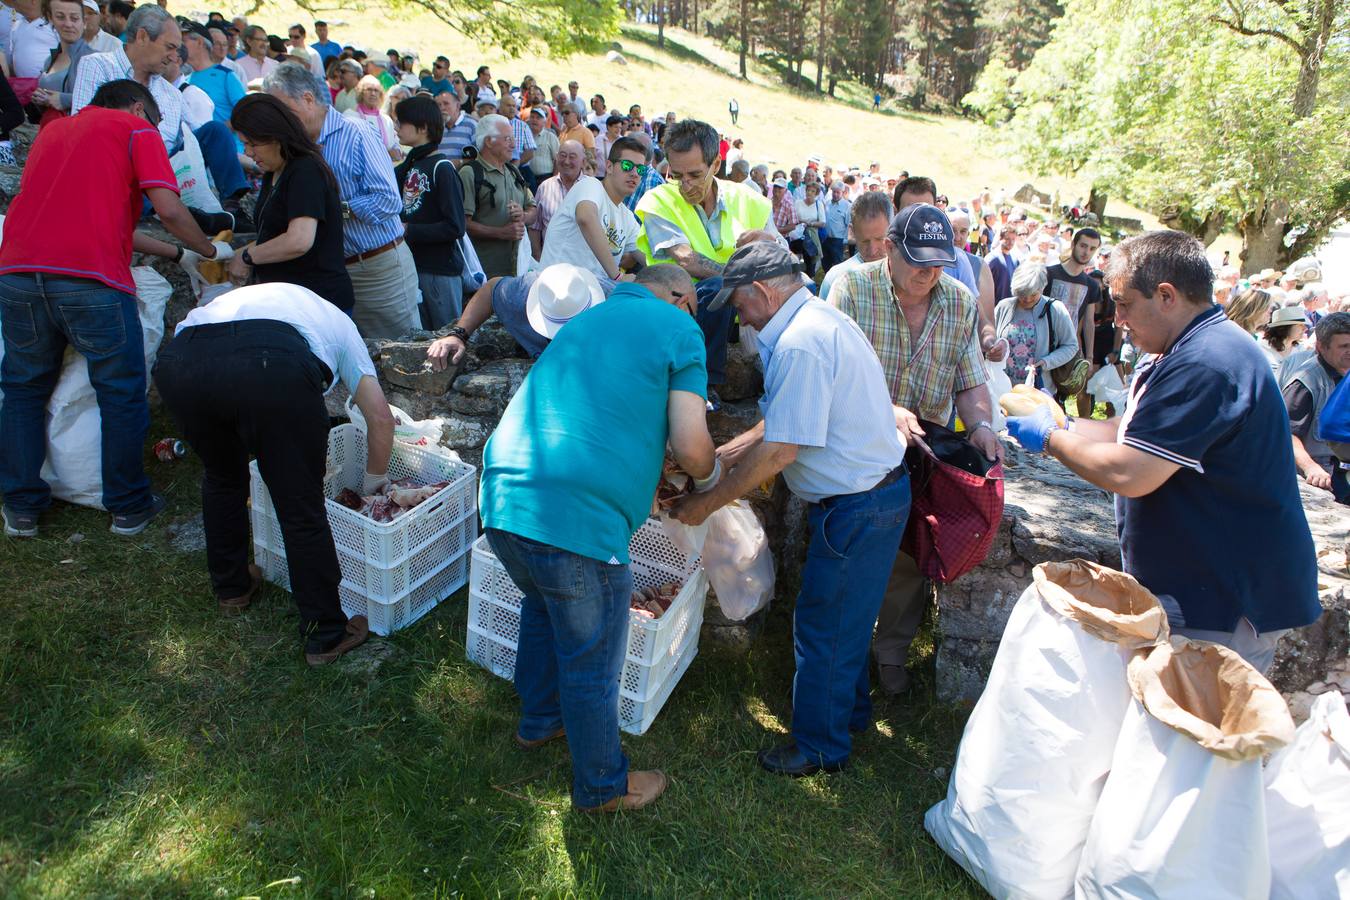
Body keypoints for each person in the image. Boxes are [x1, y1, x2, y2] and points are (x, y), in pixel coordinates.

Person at [1005, 231, 1322, 674]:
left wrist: (1050, 439)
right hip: (1203, 586)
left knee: (1196, 731)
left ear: (1167, 295)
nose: (1117, 319)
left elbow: (1131, 472)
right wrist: (1066, 422)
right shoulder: (1187, 348)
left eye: (1125, 303)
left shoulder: (1207, 362)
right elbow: (1130, 430)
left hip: (1226, 597)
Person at [478, 262, 715, 813]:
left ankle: (539, 720)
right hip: (578, 517)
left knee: (542, 605)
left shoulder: (585, 318)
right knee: (593, 660)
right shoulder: (679, 327)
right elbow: (690, 441)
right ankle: (603, 788)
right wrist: (710, 479)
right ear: (680, 297)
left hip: (504, 498)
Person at [670, 241, 909, 776]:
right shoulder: (813, 320)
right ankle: (848, 714)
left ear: (762, 291)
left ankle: (821, 746)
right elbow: (789, 416)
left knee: (824, 624)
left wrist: (707, 502)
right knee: (844, 619)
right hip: (870, 497)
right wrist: (730, 452)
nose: (736, 314)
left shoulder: (801, 342)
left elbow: (782, 450)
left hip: (858, 504)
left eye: (738, 303)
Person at [0, 79, 230, 539]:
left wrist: (174, 255)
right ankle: (128, 505)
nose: (157, 133)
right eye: (157, 122)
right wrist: (206, 249)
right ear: (137, 108)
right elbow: (168, 209)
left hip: (18, 272)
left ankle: (21, 507)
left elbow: (101, 225)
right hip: (91, 283)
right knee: (120, 392)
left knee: (23, 389)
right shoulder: (135, 130)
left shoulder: (52, 132)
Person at [153, 283, 393, 664]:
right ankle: (326, 633)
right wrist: (375, 484)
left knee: (222, 476)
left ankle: (232, 588)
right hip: (271, 366)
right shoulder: (342, 325)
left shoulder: (261, 300)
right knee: (299, 504)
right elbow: (380, 418)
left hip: (182, 363)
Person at [828, 204, 999, 695]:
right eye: (919, 260)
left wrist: (981, 424)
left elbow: (970, 379)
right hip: (857, 442)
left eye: (939, 262)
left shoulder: (960, 300)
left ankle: (892, 652)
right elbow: (835, 371)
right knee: (850, 549)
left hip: (924, 450)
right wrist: (887, 410)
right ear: (888, 248)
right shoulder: (854, 288)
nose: (929, 272)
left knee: (909, 554)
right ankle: (847, 654)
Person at [265, 62, 419, 340]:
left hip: (376, 268)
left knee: (398, 355)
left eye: (283, 111)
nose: (279, 121)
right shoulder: (295, 147)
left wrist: (335, 210)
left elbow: (388, 201)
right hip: (330, 273)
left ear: (308, 99)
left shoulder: (356, 133)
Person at [71, 5, 252, 231]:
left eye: (177, 49)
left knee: (215, 130)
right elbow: (81, 128)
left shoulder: (172, 93)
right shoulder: (98, 65)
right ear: (143, 36)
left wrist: (252, 160)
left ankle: (232, 206)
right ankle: (167, 214)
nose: (175, 57)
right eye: (169, 47)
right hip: (118, 166)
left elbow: (198, 138)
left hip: (167, 169)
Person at [634, 118, 772, 407]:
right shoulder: (658, 200)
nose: (685, 185)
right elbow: (686, 260)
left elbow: (775, 252)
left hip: (741, 309)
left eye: (695, 175)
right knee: (720, 287)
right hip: (683, 309)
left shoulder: (748, 199)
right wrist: (740, 280)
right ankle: (705, 383)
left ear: (716, 165)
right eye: (677, 175)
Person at [224, 93, 354, 312]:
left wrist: (247, 257)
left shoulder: (305, 170)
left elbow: (299, 240)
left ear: (275, 136)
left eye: (252, 144)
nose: (247, 152)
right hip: (289, 300)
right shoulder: (274, 172)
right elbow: (274, 235)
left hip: (317, 303)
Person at [393, 94, 466, 329]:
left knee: (446, 337)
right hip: (414, 266)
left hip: (439, 270)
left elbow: (455, 226)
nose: (396, 127)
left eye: (401, 122)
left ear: (422, 127)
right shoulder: (410, 165)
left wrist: (409, 230)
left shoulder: (441, 168)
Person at [538, 136, 646, 291]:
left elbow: (649, 258)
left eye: (641, 169)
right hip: (557, 291)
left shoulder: (627, 217)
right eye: (627, 165)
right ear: (609, 167)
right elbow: (586, 217)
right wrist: (618, 277)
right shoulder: (590, 185)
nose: (635, 173)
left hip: (590, 296)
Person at [1283, 312, 1350, 503]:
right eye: (1344, 346)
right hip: (1321, 476)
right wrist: (1310, 467)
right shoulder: (1306, 381)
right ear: (1321, 346)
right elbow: (1287, 432)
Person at [459, 113, 536, 279]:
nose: (514, 144)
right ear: (489, 141)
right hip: (485, 274)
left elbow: (533, 209)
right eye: (507, 139)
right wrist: (501, 232)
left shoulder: (514, 172)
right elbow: (463, 224)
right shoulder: (470, 173)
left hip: (517, 270)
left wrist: (523, 215)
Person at [994, 263, 1079, 387]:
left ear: (1042, 288)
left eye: (1033, 294)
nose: (1027, 299)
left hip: (1039, 389)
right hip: (1003, 388)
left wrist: (1046, 362)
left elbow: (1071, 346)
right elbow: (990, 339)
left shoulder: (1056, 309)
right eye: (1022, 294)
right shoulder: (1003, 307)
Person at [1045, 227, 1103, 409]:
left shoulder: (1092, 285)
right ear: (1073, 244)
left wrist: (1090, 357)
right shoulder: (1049, 273)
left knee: (1058, 401)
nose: (1086, 252)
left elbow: (1088, 323)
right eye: (1083, 246)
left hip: (1068, 349)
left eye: (1092, 248)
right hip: (1043, 343)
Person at [27, 0, 93, 126]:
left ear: (84, 22)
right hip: (50, 131)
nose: (68, 24)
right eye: (60, 17)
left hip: (77, 133)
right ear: (51, 19)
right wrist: (39, 99)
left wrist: (63, 99)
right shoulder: (49, 60)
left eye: (74, 18)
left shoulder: (93, 58)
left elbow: (103, 101)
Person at [819, 191, 891, 301]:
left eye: (880, 239)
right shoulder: (835, 277)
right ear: (852, 231)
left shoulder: (906, 274)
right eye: (865, 241)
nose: (872, 251)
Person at [528, 138, 583, 257]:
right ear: (556, 157)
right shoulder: (545, 187)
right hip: (550, 259)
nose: (567, 161)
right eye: (563, 155)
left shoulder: (592, 187)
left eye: (572, 157)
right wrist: (537, 256)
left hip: (583, 260)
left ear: (583, 161)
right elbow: (535, 227)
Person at [344, 74, 400, 162]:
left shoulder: (386, 120)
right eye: (369, 89)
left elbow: (394, 144)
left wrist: (395, 151)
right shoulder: (350, 116)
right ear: (361, 93)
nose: (373, 93)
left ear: (380, 94)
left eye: (376, 90)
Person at [1259, 305, 1307, 374]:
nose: (1305, 329)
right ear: (1286, 327)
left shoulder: (1301, 350)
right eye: (1300, 325)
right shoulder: (1262, 347)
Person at [435, 88, 473, 162]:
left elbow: (479, 156)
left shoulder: (471, 125)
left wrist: (460, 162)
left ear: (458, 106)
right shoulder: (435, 127)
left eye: (446, 103)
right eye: (439, 105)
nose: (442, 108)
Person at [821, 180, 851, 273]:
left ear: (842, 193)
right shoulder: (827, 203)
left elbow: (848, 224)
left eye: (838, 192)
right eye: (834, 192)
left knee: (837, 264)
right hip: (825, 238)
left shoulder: (847, 206)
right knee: (825, 263)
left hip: (838, 239)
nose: (836, 194)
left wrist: (845, 240)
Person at [985, 225, 1018, 305]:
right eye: (1007, 239)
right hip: (994, 306)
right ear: (1000, 238)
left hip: (1009, 306)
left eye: (1013, 239)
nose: (1011, 242)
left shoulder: (1015, 259)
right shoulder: (992, 259)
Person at [525, 105, 557, 179]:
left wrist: (554, 179)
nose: (534, 120)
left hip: (547, 177)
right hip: (528, 177)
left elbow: (557, 160)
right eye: (532, 117)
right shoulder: (525, 136)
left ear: (544, 122)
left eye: (538, 118)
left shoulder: (550, 136)